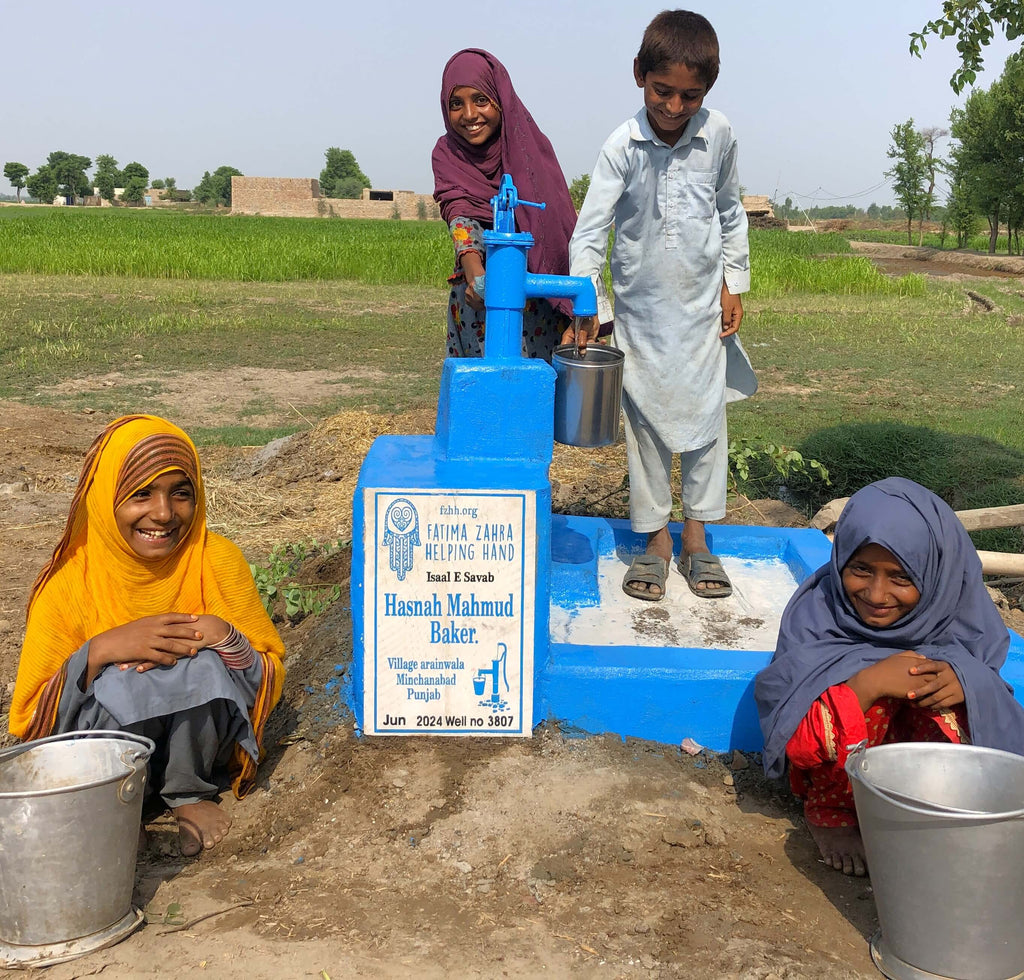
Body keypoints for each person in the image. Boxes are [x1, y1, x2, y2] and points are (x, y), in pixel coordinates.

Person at [9, 414, 286, 857]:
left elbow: (265, 673)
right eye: (140, 494)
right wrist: (98, 652)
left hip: (199, 752)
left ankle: (188, 793)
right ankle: (119, 805)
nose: (162, 513)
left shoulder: (214, 560)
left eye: (181, 493)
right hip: (101, 763)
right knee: (114, 679)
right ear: (104, 501)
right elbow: (32, 719)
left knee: (207, 665)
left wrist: (224, 637)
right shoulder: (69, 582)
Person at [569, 9, 757, 602]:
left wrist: (734, 283)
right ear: (638, 75)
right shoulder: (621, 145)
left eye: (690, 95)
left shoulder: (719, 134)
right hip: (641, 319)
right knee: (645, 427)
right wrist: (592, 304)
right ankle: (654, 540)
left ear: (708, 91)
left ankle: (698, 539)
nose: (674, 107)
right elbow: (590, 231)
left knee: (706, 426)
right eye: (662, 91)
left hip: (702, 312)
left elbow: (730, 212)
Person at [755, 478, 1024, 876]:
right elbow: (796, 743)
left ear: (935, 573)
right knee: (856, 693)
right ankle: (831, 813)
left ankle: (935, 813)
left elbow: (994, 713)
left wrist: (965, 682)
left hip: (921, 777)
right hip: (836, 771)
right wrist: (867, 685)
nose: (877, 595)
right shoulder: (819, 614)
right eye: (861, 569)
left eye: (901, 577)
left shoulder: (959, 612)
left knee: (957, 693)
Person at [432, 47, 578, 360]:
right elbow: (459, 215)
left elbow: (558, 227)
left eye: (480, 100)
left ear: (501, 99)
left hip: (537, 297)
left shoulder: (531, 150)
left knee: (538, 393)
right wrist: (478, 277)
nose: (469, 115)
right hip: (478, 298)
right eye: (456, 104)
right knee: (483, 393)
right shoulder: (447, 153)